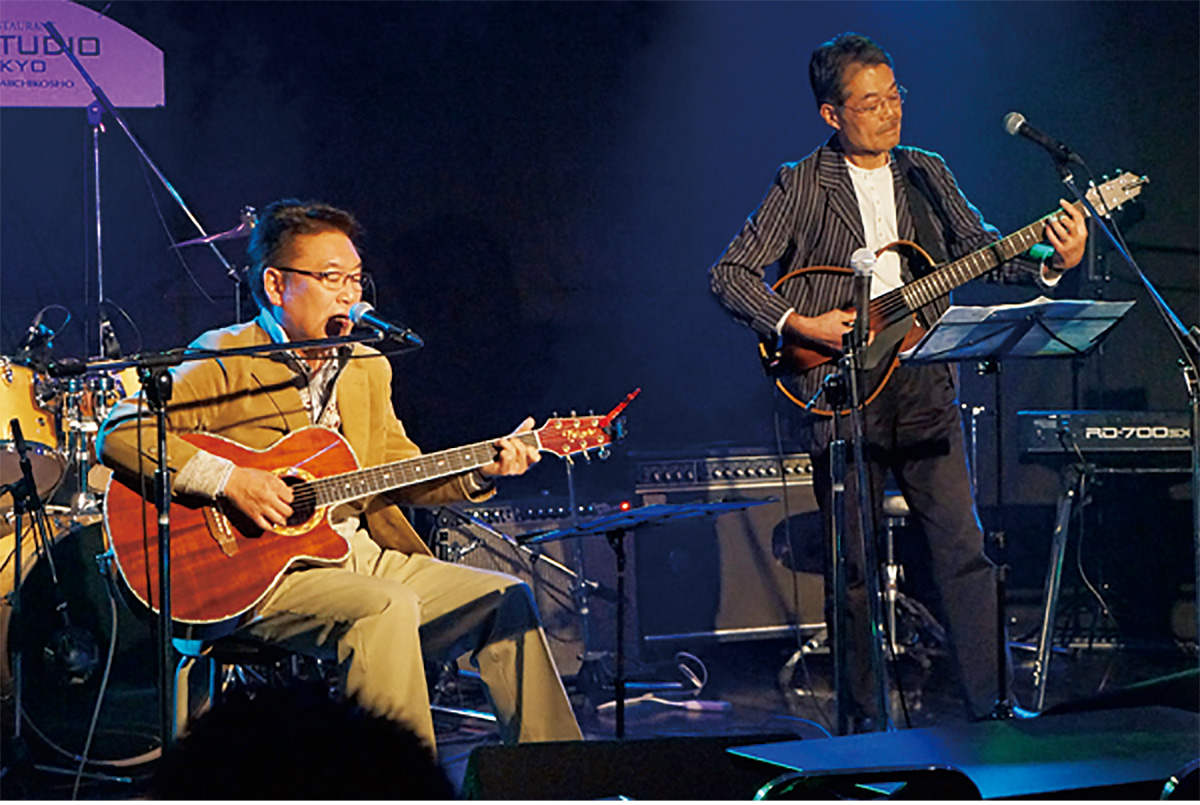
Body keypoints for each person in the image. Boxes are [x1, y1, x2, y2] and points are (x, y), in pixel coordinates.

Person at [97, 199, 583, 751]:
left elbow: (398, 469)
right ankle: (398, 785)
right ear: (276, 285)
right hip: (259, 574)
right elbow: (120, 431)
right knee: (385, 606)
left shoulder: (366, 366)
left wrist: (481, 469)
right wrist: (230, 480)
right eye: (331, 278)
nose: (350, 294)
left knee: (507, 600)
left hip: (359, 555)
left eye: (355, 278)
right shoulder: (227, 355)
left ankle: (559, 776)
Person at [709, 33, 1087, 727]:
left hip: (924, 387)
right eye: (871, 103)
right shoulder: (802, 182)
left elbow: (984, 250)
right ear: (832, 114)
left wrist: (1051, 259)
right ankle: (862, 724)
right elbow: (729, 275)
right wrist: (801, 323)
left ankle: (993, 708)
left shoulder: (925, 171)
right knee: (852, 570)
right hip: (841, 391)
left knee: (964, 551)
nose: (890, 113)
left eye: (895, 97)